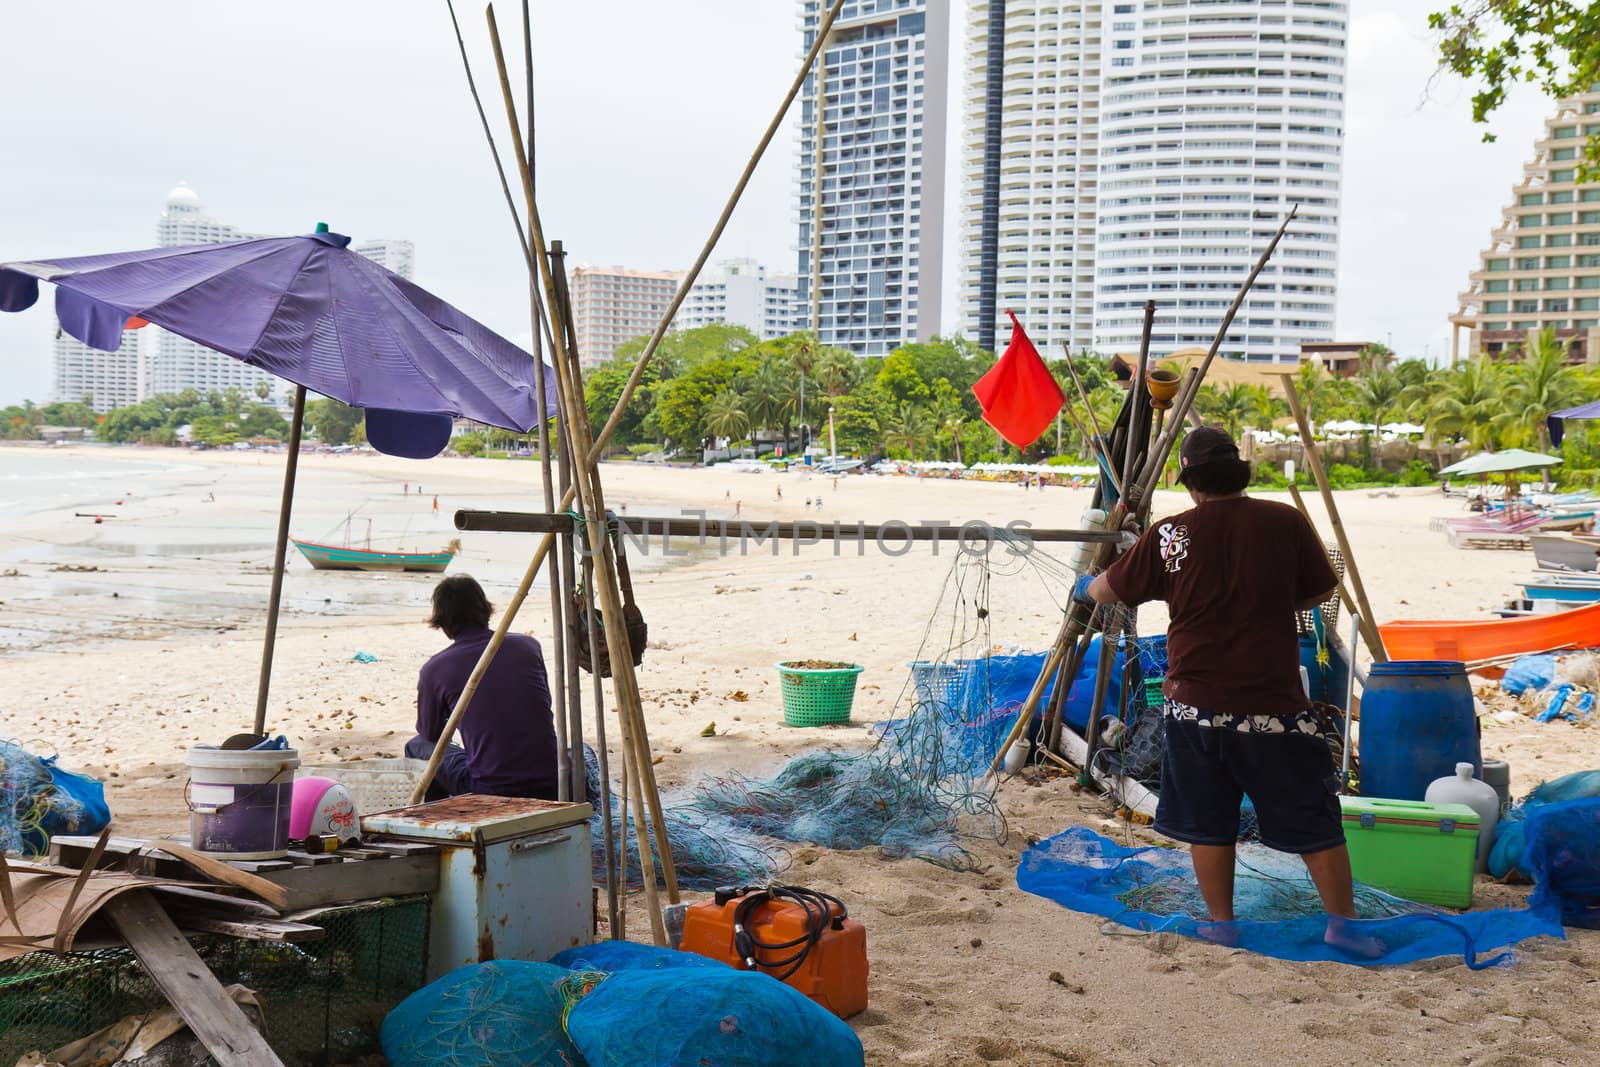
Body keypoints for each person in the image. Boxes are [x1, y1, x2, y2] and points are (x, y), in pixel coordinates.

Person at [1077, 427, 1361, 949]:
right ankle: (1343, 926)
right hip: (1274, 707)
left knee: (1209, 821)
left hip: (1194, 711)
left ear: (1190, 481)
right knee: (1315, 819)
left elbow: (1104, 590)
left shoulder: (1170, 535)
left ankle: (1220, 924)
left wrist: (1085, 584)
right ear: (1240, 473)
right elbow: (1321, 589)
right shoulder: (1284, 522)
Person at [406, 575, 558, 800]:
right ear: (484, 610)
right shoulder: (528, 646)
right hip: (551, 781)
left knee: (416, 746)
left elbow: (430, 733)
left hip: (490, 789)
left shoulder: (435, 669)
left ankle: (437, 817)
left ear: (443, 621)